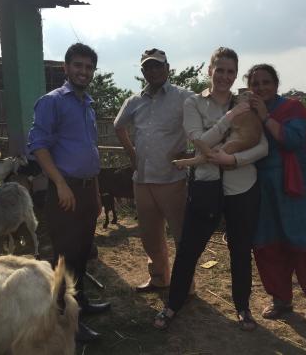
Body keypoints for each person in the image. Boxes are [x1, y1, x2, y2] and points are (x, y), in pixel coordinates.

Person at [153, 47, 268, 331]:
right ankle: (173, 304)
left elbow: (263, 146)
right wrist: (229, 118)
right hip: (205, 185)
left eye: (231, 71)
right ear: (209, 71)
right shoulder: (193, 103)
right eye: (220, 70)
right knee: (190, 248)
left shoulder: (246, 102)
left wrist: (234, 159)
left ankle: (242, 307)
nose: (225, 77)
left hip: (242, 186)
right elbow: (199, 140)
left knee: (240, 250)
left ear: (235, 74)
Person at [27, 43, 110, 343]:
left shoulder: (87, 103)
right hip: (65, 190)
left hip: (87, 190)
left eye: (89, 67)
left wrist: (97, 193)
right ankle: (66, 322)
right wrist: (60, 184)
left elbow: (91, 153)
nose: (83, 71)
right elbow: (38, 145)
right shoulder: (52, 102)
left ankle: (81, 304)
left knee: (82, 252)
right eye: (78, 65)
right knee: (64, 257)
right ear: (66, 68)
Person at [246, 63, 306, 335]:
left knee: (304, 246)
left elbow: (294, 141)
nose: (261, 87)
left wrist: (264, 117)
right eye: (255, 83)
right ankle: (281, 300)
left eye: (266, 82)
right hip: (263, 186)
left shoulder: (292, 108)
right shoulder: (247, 111)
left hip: (294, 186)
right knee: (268, 244)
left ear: (276, 83)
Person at [114, 49, 193, 292]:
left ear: (168, 68)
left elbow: (208, 122)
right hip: (143, 180)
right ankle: (159, 278)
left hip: (173, 180)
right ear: (143, 72)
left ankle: (185, 285)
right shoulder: (134, 101)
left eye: (158, 66)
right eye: (149, 67)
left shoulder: (184, 97)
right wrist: (132, 154)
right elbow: (118, 126)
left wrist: (192, 156)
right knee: (149, 236)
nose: (154, 71)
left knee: (181, 236)